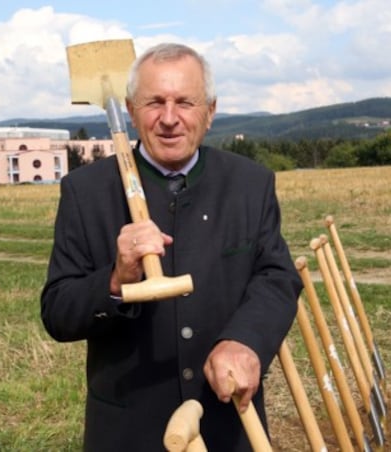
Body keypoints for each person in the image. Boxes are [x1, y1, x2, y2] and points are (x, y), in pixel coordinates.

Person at [40, 42, 302, 451]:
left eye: (185, 102)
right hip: (129, 434)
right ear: (129, 109)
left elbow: (277, 277)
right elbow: (58, 312)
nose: (168, 118)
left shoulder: (250, 185)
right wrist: (115, 278)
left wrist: (245, 340)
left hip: (228, 426)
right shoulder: (86, 193)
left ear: (210, 111)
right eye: (154, 102)